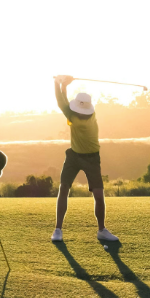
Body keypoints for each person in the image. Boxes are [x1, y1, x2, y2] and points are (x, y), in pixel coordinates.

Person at [51, 75, 119, 243]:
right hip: (74, 156)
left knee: (98, 194)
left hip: (92, 158)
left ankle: (101, 230)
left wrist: (60, 84)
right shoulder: (85, 113)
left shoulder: (74, 116)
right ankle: (58, 229)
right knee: (64, 189)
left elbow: (61, 102)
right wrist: (62, 85)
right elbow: (63, 102)